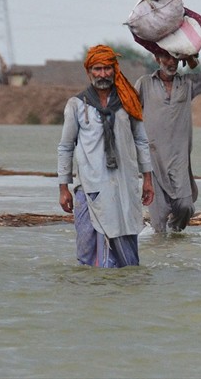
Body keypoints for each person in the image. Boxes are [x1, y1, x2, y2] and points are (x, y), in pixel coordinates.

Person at [58, 45, 154, 268]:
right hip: (89, 187)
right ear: (89, 72)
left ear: (115, 70)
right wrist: (64, 187)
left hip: (123, 185)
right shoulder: (77, 105)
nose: (102, 74)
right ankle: (93, 294)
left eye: (107, 69)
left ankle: (125, 290)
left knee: (126, 247)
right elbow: (65, 147)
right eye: (97, 69)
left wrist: (148, 179)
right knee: (86, 249)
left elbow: (141, 140)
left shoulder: (129, 102)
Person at [134, 22, 201, 233]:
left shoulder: (187, 84)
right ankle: (164, 258)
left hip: (179, 162)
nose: (171, 62)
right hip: (153, 163)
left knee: (186, 208)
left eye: (175, 57)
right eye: (166, 56)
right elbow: (128, 113)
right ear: (157, 58)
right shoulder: (145, 84)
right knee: (158, 227)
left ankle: (176, 241)